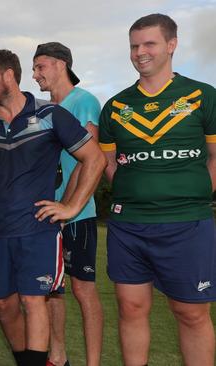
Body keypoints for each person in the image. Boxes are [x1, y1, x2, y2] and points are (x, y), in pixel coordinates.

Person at [0, 48, 106, 366]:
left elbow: (94, 158)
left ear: (8, 76)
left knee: (33, 299)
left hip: (37, 228)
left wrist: (71, 207)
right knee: (4, 305)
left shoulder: (50, 115)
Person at [98, 13, 216, 366]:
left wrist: (190, 193)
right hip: (128, 225)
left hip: (188, 223)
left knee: (190, 313)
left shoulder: (202, 96)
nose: (140, 52)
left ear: (171, 44)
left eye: (149, 43)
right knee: (131, 308)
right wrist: (137, 192)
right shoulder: (116, 107)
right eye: (134, 45)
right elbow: (107, 163)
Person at [32, 42, 104, 366]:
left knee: (83, 291)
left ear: (61, 64)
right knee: (52, 289)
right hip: (49, 213)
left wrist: (67, 206)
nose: (35, 75)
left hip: (77, 213)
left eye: (40, 67)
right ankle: (58, 356)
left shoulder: (83, 101)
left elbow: (86, 161)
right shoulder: (42, 111)